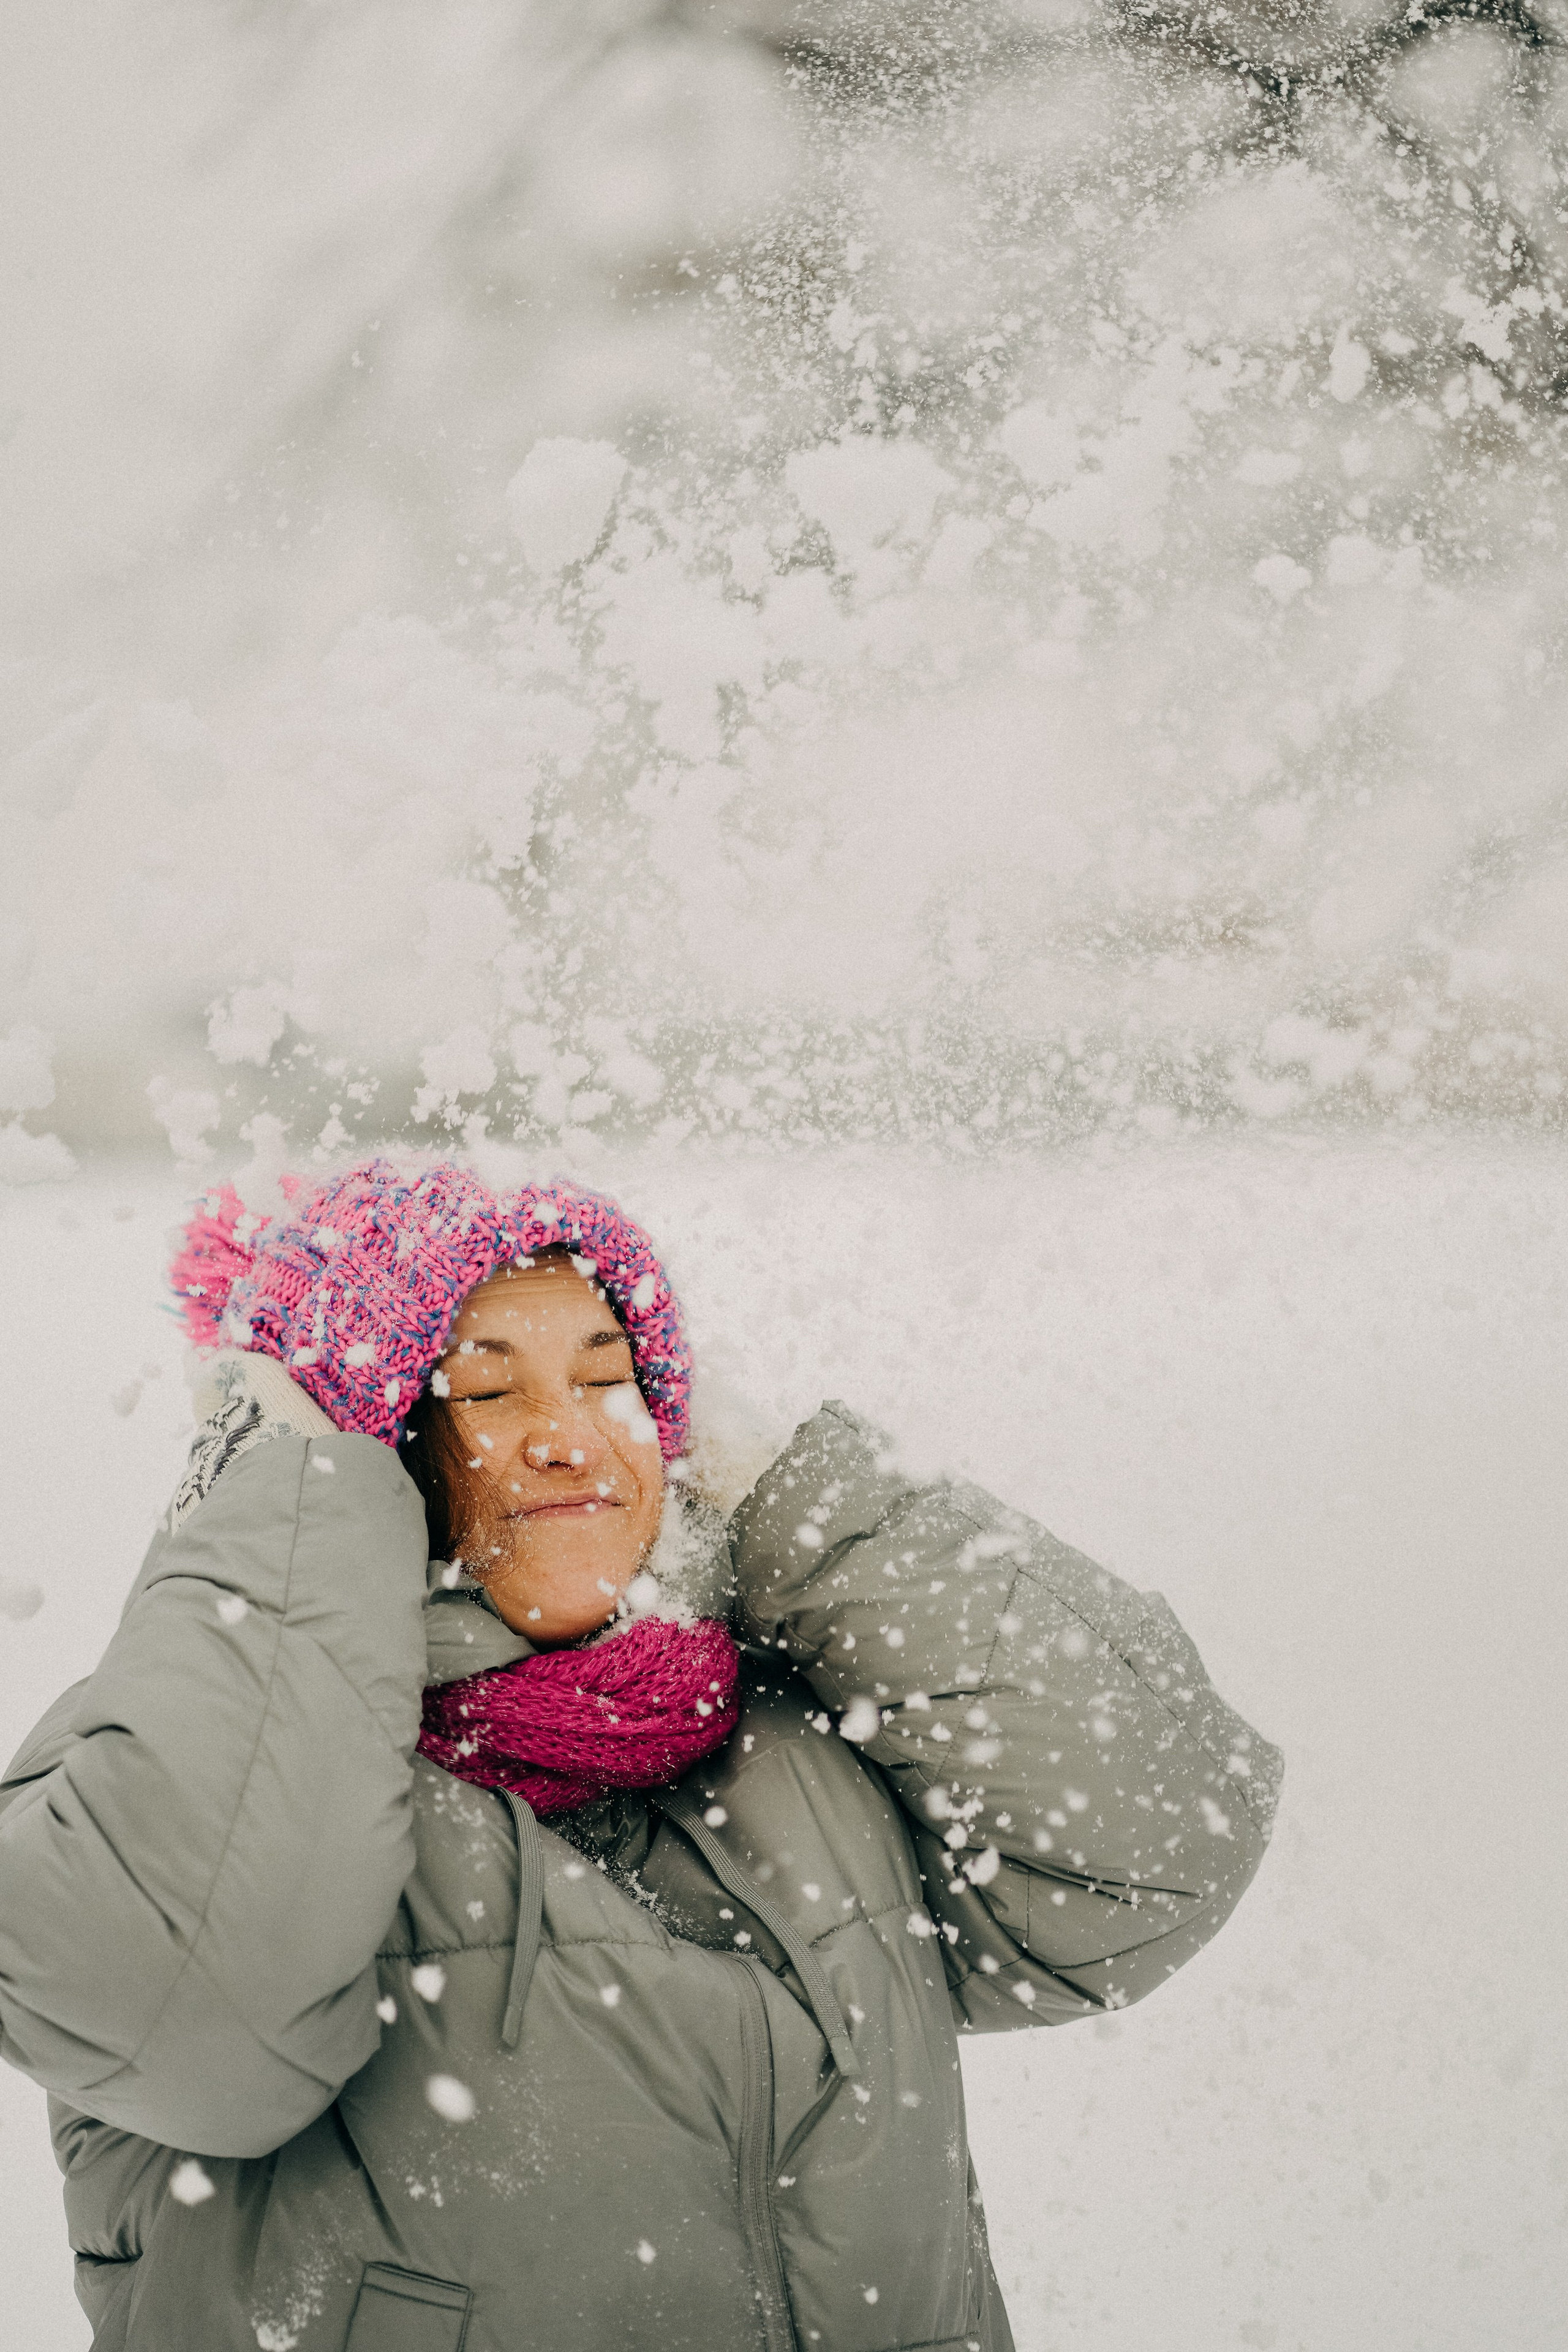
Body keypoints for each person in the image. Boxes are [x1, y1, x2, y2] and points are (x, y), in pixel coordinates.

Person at [0, 1158, 1281, 2352]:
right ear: (365, 1452)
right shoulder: (172, 1771)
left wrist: (795, 1495)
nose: (572, 1436)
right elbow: (189, 2011)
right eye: (489, 1390)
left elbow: (1155, 1851)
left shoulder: (796, 1740)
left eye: (611, 1377)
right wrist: (281, 1501)